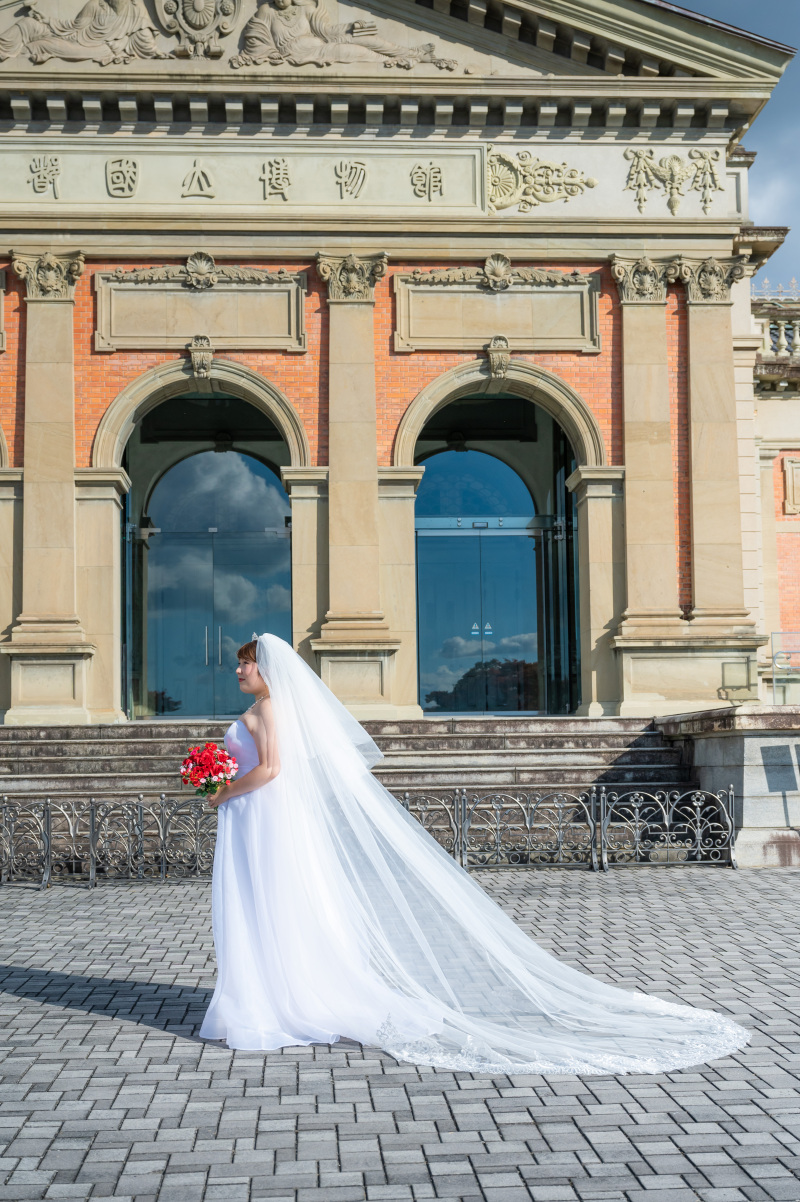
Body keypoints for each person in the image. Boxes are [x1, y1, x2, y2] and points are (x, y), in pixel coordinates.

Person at [199, 633, 750, 1074]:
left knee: (265, 901)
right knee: (272, 903)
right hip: (261, 818)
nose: (240, 671)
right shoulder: (276, 711)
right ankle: (276, 992)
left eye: (245, 664)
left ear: (265, 669)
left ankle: (275, 1001)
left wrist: (220, 791)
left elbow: (270, 771)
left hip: (260, 815)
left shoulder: (268, 711)